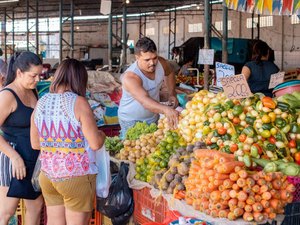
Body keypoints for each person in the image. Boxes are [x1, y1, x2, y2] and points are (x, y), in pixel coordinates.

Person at [30, 58, 106, 225]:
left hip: (48, 175)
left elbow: (35, 144)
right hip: (75, 175)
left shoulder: (41, 102)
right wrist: (101, 135)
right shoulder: (79, 102)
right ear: (80, 80)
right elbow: (95, 143)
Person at [0, 51, 44, 225]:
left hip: (33, 158)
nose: (38, 80)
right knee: (7, 210)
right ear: (19, 73)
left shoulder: (33, 92)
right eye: (33, 75)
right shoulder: (7, 96)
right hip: (13, 159)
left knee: (36, 206)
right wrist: (14, 156)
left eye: (40, 75)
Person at [118, 37, 179, 138]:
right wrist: (166, 110)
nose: (152, 63)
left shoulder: (161, 63)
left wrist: (172, 93)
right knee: (134, 150)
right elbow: (145, 101)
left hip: (153, 117)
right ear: (137, 58)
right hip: (131, 120)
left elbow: (170, 72)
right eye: (147, 60)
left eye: (154, 58)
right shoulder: (131, 77)